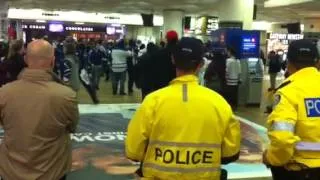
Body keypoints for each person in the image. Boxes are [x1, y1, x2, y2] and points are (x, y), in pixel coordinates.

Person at [126, 37, 241, 179]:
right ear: (201, 64)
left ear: (173, 60)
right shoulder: (219, 103)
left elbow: (133, 151)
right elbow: (231, 153)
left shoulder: (153, 101)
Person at [0, 40, 79, 180]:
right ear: (53, 61)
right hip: (52, 171)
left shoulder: (4, 93)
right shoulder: (66, 95)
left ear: (25, 59)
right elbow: (72, 127)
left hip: (11, 171)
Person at [263, 39, 320, 180]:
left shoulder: (288, 92)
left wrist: (272, 158)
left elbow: (282, 138)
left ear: (288, 63)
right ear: (317, 62)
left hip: (300, 169)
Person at [142, 30, 178, 97]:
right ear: (177, 39)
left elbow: (153, 70)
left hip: (161, 85)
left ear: (166, 39)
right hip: (177, 85)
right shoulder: (181, 53)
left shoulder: (159, 53)